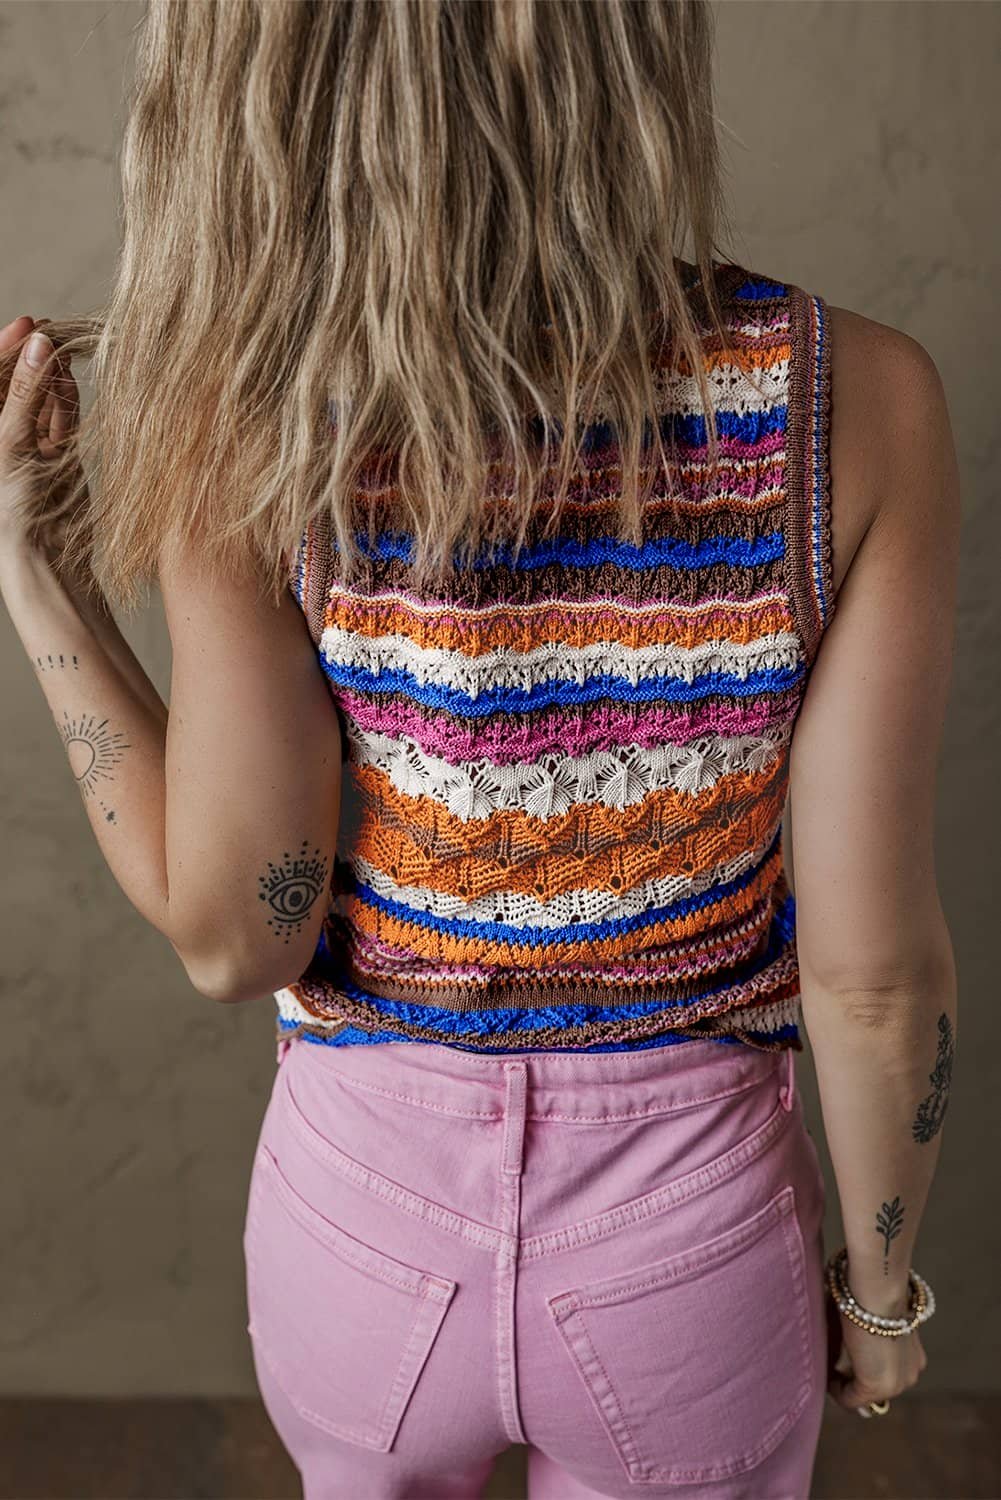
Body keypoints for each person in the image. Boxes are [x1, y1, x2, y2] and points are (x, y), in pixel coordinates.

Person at [0, 1, 958, 1497]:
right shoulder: (859, 398)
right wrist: (881, 1305)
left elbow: (237, 937)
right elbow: (874, 978)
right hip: (686, 1247)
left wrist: (32, 567)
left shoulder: (245, 417)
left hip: (363, 1241)